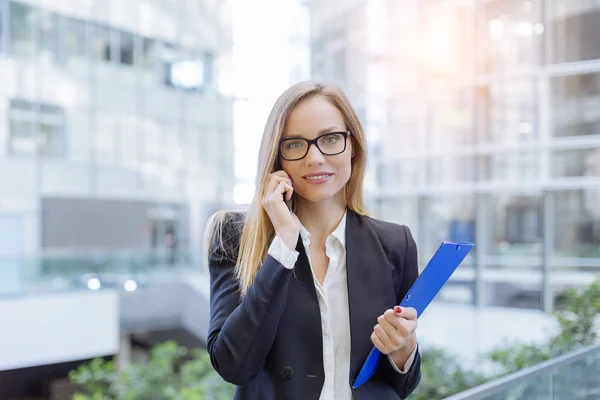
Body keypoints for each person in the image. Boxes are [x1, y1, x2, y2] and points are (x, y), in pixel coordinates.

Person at [205, 81, 421, 399]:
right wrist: (283, 244)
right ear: (277, 156)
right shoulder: (235, 236)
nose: (316, 158)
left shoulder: (394, 243)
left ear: (353, 146)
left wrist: (403, 349)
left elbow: (400, 385)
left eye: (330, 139)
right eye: (295, 144)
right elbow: (233, 365)